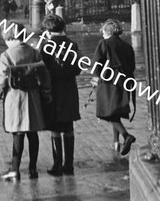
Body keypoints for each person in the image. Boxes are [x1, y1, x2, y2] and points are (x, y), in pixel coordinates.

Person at [0, 20, 51, 181]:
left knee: (18, 134)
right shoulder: (34, 52)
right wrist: (47, 91)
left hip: (15, 98)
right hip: (33, 96)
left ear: (9, 37)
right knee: (32, 133)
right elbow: (44, 74)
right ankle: (33, 169)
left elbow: (2, 80)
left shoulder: (6, 55)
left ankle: (15, 169)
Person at [39, 14, 81, 176]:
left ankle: (57, 164)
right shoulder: (72, 44)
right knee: (68, 127)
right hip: (69, 89)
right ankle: (68, 165)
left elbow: (43, 70)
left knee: (55, 128)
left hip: (53, 89)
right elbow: (78, 68)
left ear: (48, 30)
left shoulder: (46, 46)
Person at [90, 19, 136, 156]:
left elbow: (96, 63)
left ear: (107, 31)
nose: (102, 34)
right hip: (125, 80)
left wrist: (96, 78)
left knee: (107, 112)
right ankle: (116, 142)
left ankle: (126, 136)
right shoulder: (127, 46)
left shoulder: (104, 43)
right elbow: (132, 66)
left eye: (103, 31)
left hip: (109, 81)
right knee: (115, 110)